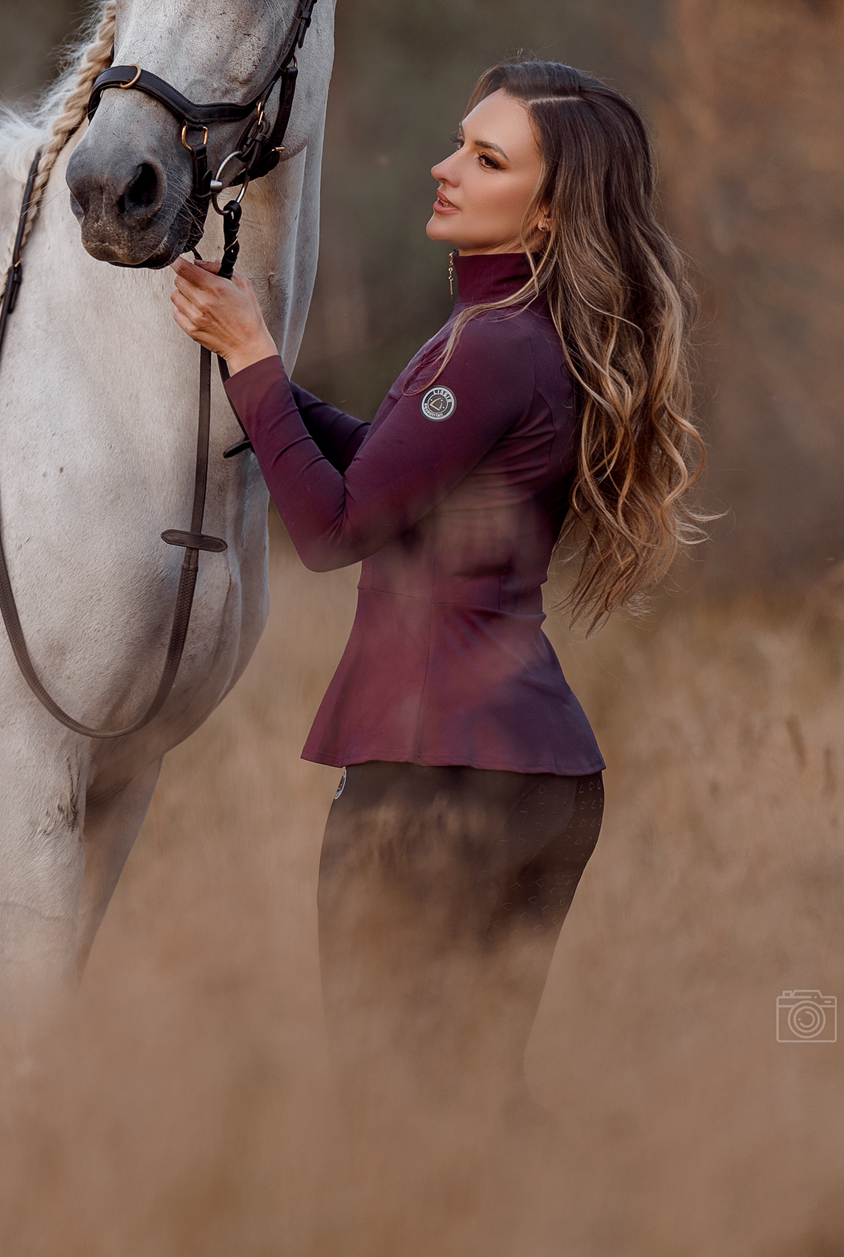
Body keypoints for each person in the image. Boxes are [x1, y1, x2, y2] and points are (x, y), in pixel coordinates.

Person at [168, 59, 704, 1130]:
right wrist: (256, 379)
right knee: (471, 1107)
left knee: (391, 1115)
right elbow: (390, 475)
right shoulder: (513, 336)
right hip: (532, 779)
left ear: (546, 216)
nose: (443, 167)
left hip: (440, 778)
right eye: (462, 141)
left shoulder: (495, 346)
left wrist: (253, 356)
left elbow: (334, 529)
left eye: (486, 159)